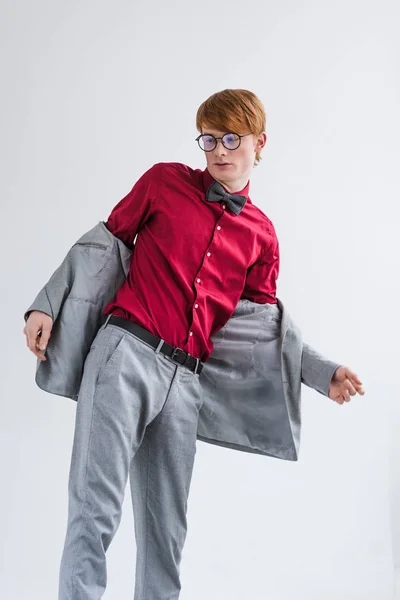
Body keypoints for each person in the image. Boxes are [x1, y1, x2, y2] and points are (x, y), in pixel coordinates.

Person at [23, 88, 365, 599]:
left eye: (232, 138)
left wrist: (321, 371)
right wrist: (47, 303)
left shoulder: (262, 236)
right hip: (125, 354)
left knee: (166, 536)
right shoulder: (164, 182)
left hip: (185, 385)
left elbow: (262, 328)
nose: (220, 150)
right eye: (209, 139)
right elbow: (105, 243)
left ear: (259, 143)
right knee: (95, 509)